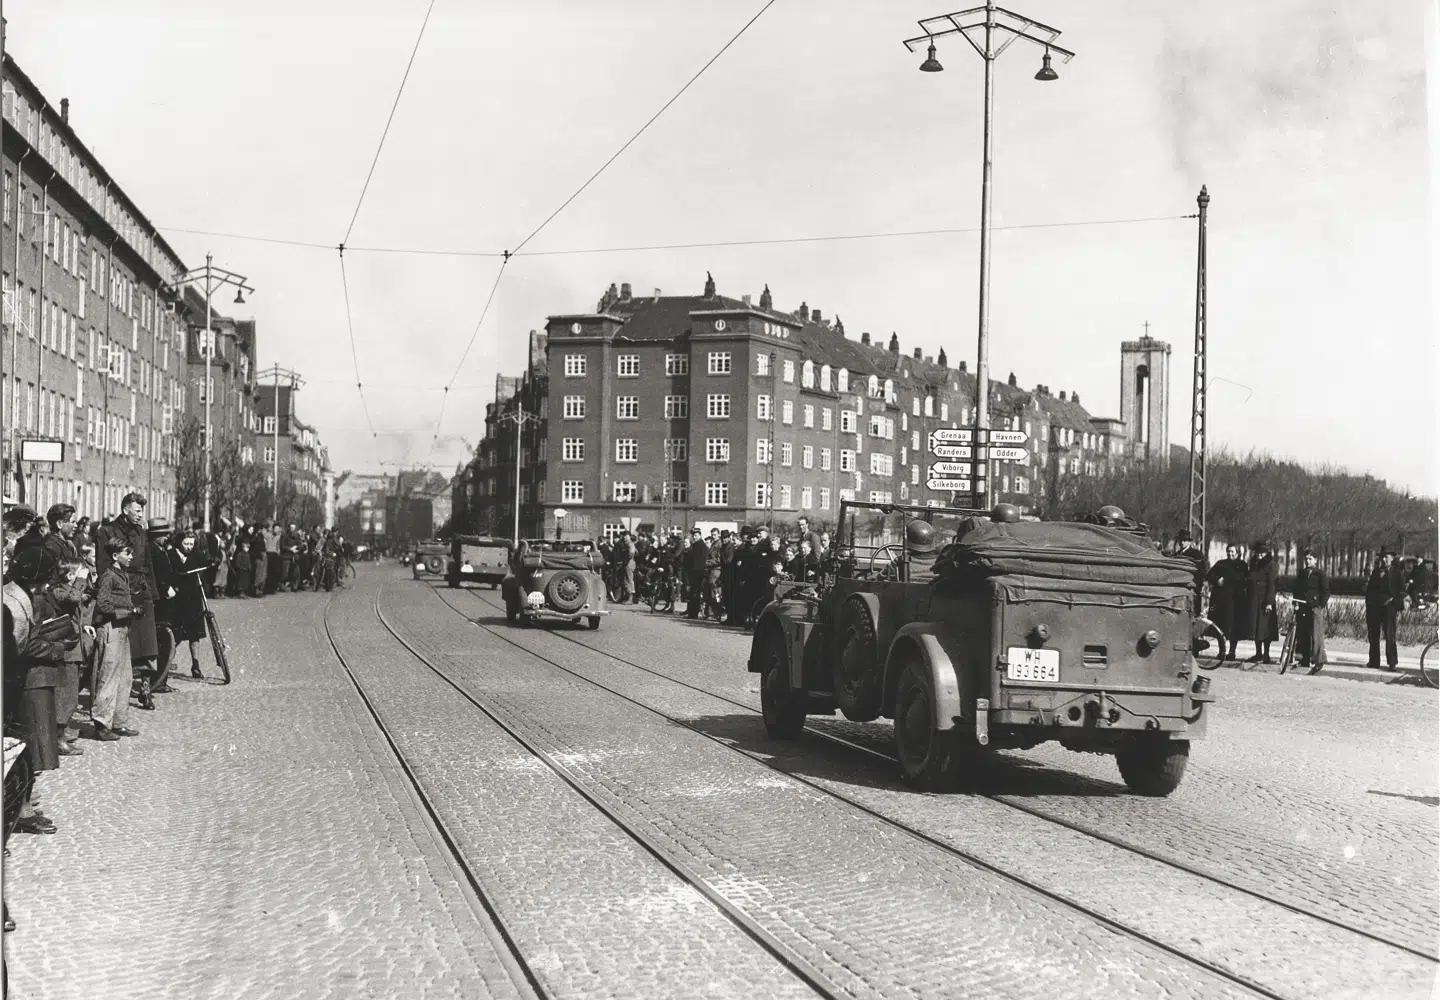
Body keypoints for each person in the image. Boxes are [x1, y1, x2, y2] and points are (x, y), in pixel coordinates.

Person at [3, 546, 76, 835]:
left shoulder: (17, 594)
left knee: (32, 749)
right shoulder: (13, 604)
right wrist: (57, 648)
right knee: (28, 749)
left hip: (29, 681)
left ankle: (25, 806)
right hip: (24, 684)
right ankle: (20, 811)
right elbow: (22, 647)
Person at [95, 494, 160, 710]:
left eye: (142, 511)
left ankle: (146, 689)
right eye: (137, 510)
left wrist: (153, 593)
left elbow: (148, 564)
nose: (141, 514)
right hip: (122, 591)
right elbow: (103, 566)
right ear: (125, 510)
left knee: (147, 644)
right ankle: (116, 692)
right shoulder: (107, 532)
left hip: (142, 591)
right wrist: (115, 594)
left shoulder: (141, 532)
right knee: (123, 644)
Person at [90, 537, 141, 741]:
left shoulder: (122, 574)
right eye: (127, 553)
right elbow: (102, 605)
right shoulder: (108, 576)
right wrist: (128, 611)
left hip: (122, 630)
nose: (131, 556)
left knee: (125, 677)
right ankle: (102, 723)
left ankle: (118, 722)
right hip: (111, 629)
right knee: (108, 676)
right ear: (114, 556)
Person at [169, 533, 210, 679]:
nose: (189, 547)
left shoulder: (196, 554)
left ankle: (196, 665)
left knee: (195, 634)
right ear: (180, 542)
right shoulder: (171, 554)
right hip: (177, 598)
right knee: (176, 633)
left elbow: (206, 562)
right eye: (186, 544)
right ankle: (166, 661)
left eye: (192, 544)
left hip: (194, 598)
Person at [1206, 545, 1250, 661]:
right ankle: (1222, 651)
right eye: (1228, 551)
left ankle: (1232, 652)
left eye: (1232, 551)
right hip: (1221, 601)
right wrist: (1217, 580)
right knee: (1221, 627)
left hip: (1236, 601)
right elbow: (1210, 574)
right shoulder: (1221, 563)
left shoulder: (1242, 566)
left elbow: (1244, 580)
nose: (1230, 554)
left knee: (1234, 627)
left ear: (1237, 553)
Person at [1365, 550, 1404, 670]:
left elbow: (1401, 590)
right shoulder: (1376, 572)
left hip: (1389, 607)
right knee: (1373, 634)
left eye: (1386, 557)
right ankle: (1374, 661)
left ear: (1392, 559)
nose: (1383, 560)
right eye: (1382, 558)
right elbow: (1370, 589)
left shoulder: (1397, 573)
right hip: (1374, 607)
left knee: (1390, 634)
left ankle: (1392, 662)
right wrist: (1369, 603)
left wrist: (1393, 601)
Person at [1291, 550, 1329, 673]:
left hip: (1314, 607)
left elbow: (1325, 591)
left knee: (1316, 634)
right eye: (1306, 559)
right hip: (1302, 607)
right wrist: (1296, 602)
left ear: (1316, 560)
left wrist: (1319, 604)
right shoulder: (1301, 573)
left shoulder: (1320, 574)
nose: (1308, 561)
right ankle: (1304, 659)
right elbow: (1296, 589)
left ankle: (1319, 660)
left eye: (1310, 559)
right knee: (1303, 634)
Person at [1245, 541, 1279, 664]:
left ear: (1266, 553)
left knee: (1266, 629)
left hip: (1265, 600)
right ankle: (1258, 653)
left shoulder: (1271, 564)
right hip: (1254, 600)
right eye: (1258, 553)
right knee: (1256, 628)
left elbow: (1272, 584)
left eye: (1262, 553)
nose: (1259, 555)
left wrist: (1269, 602)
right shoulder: (1253, 562)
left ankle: (1267, 655)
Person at [682, 527, 709, 619]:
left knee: (695, 594)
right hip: (693, 573)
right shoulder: (695, 545)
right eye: (693, 535)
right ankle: (691, 613)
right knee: (692, 593)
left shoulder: (702, 546)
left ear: (700, 535)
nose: (694, 537)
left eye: (696, 535)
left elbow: (703, 560)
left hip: (698, 573)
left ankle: (694, 614)